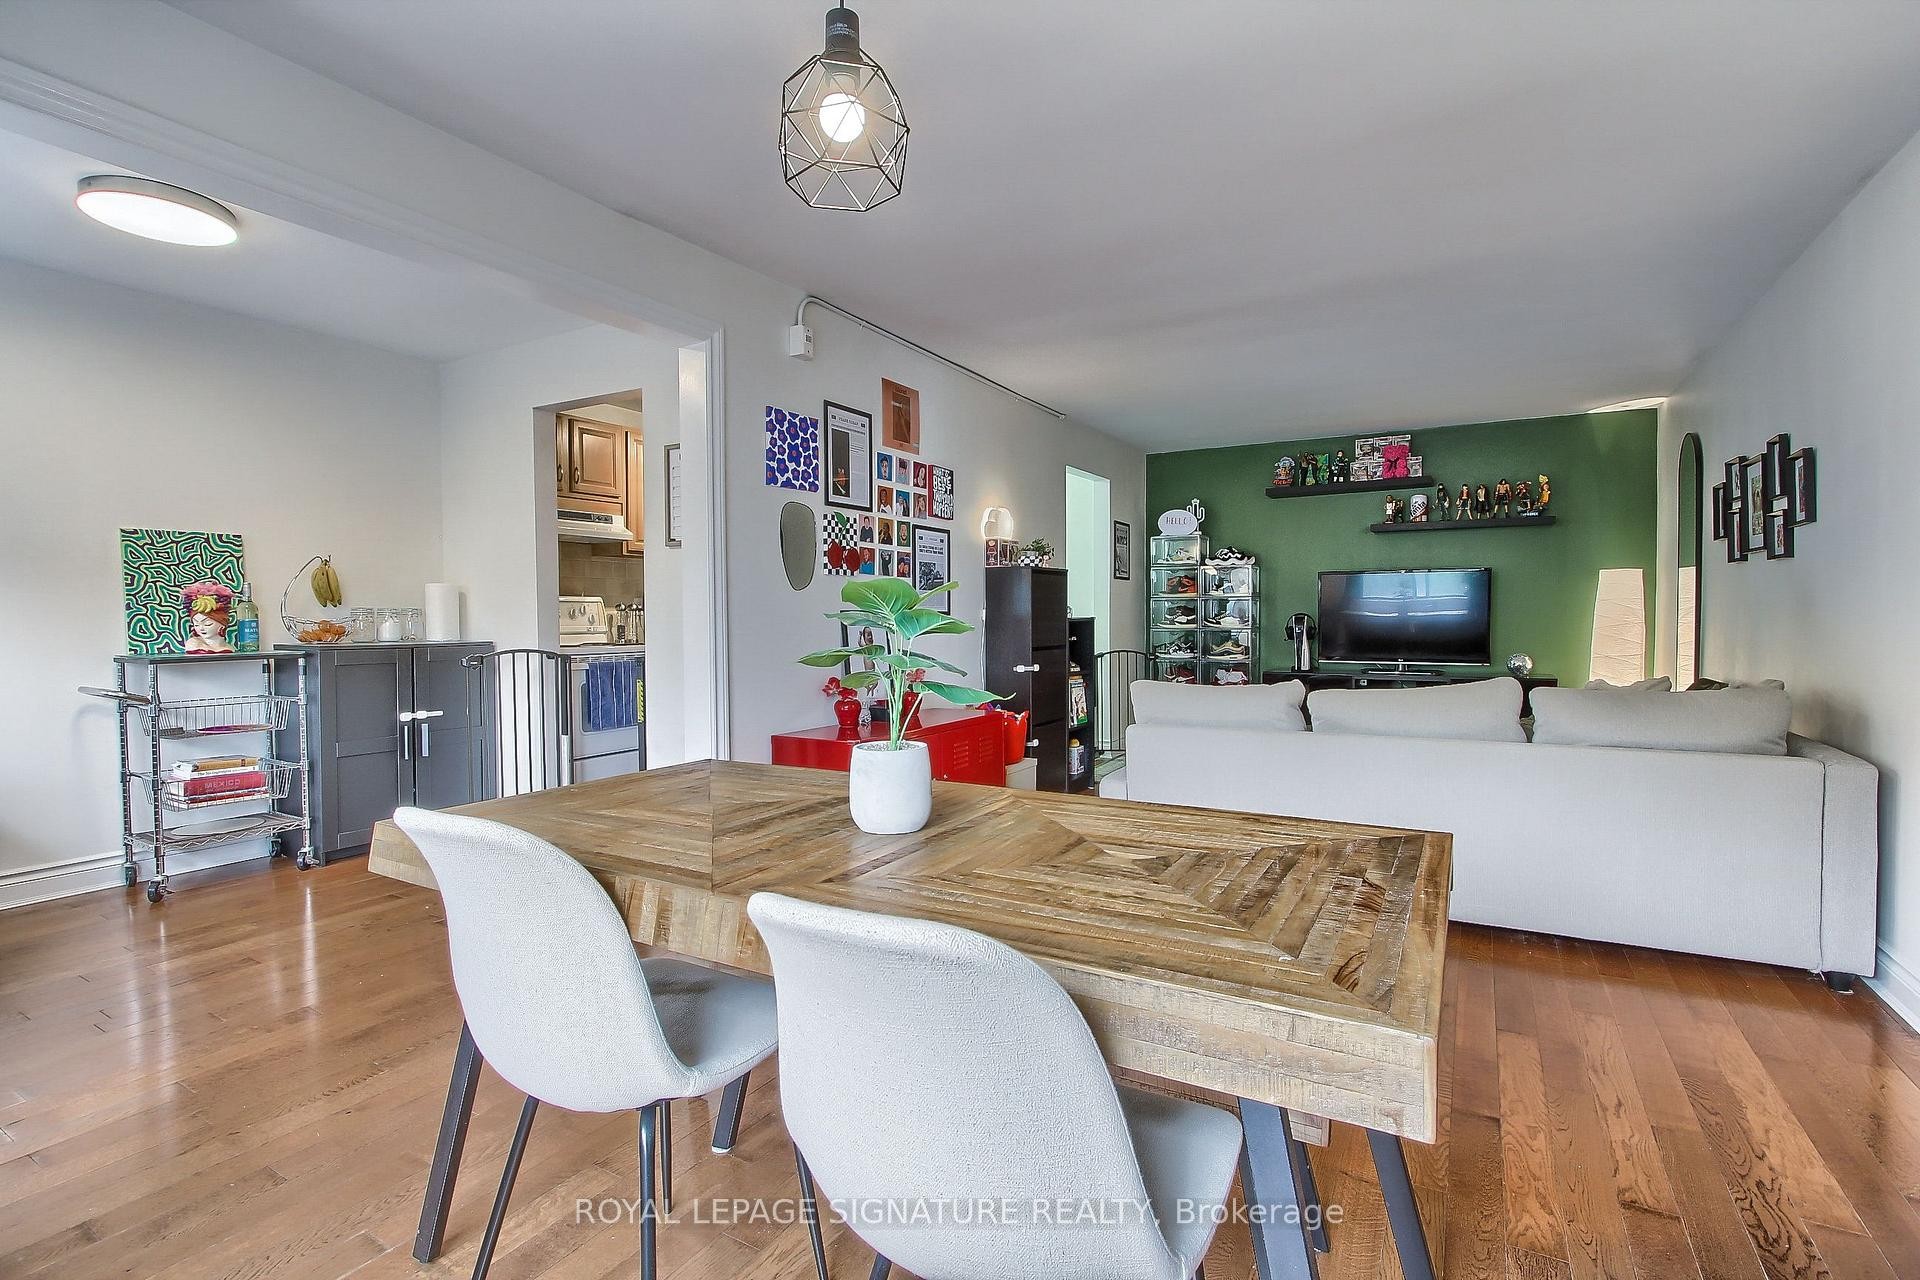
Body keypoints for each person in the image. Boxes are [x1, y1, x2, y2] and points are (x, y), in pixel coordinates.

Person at [181, 581, 235, 653]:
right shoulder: (194, 644)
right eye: (196, 624)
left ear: (222, 623)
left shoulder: (228, 647)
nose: (201, 628)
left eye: (208, 624)